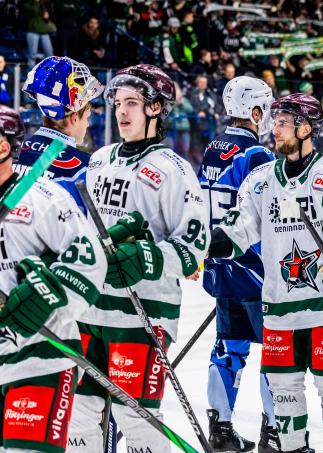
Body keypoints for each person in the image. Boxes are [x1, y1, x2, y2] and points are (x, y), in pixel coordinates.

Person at [207, 93, 323, 453]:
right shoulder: (260, 181)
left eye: (282, 122)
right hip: (279, 312)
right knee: (285, 399)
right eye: (274, 121)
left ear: (306, 128)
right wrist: (196, 245)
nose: (273, 129)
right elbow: (235, 233)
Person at [68, 64, 209, 453]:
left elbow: (195, 247)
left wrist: (147, 258)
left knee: (137, 416)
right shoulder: (98, 160)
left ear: (155, 109)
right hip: (90, 308)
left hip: (143, 311)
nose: (122, 111)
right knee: (79, 413)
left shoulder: (175, 171)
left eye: (132, 102)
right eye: (117, 102)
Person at [0, 104, 106, 453]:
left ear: (3, 147)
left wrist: (48, 293)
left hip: (40, 359)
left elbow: (90, 263)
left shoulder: (43, 198)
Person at [198, 76, 278, 452]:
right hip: (257, 270)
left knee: (228, 348)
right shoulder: (257, 154)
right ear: (256, 111)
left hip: (221, 268)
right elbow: (273, 214)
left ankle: (220, 430)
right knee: (277, 350)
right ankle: (276, 432)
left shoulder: (213, 149)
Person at [14, 56, 104, 212]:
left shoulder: (12, 153)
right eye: (87, 117)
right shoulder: (85, 168)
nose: (87, 124)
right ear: (75, 117)